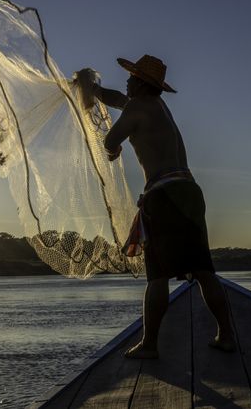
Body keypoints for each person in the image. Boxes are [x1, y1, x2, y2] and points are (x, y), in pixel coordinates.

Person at [92, 54, 236, 359]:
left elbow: (109, 139)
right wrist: (94, 91)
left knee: (157, 276)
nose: (127, 80)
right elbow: (118, 98)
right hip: (189, 190)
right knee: (203, 271)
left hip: (164, 194)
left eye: (132, 76)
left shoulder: (138, 106)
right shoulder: (157, 106)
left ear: (142, 84)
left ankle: (150, 344)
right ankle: (225, 334)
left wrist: (114, 148)